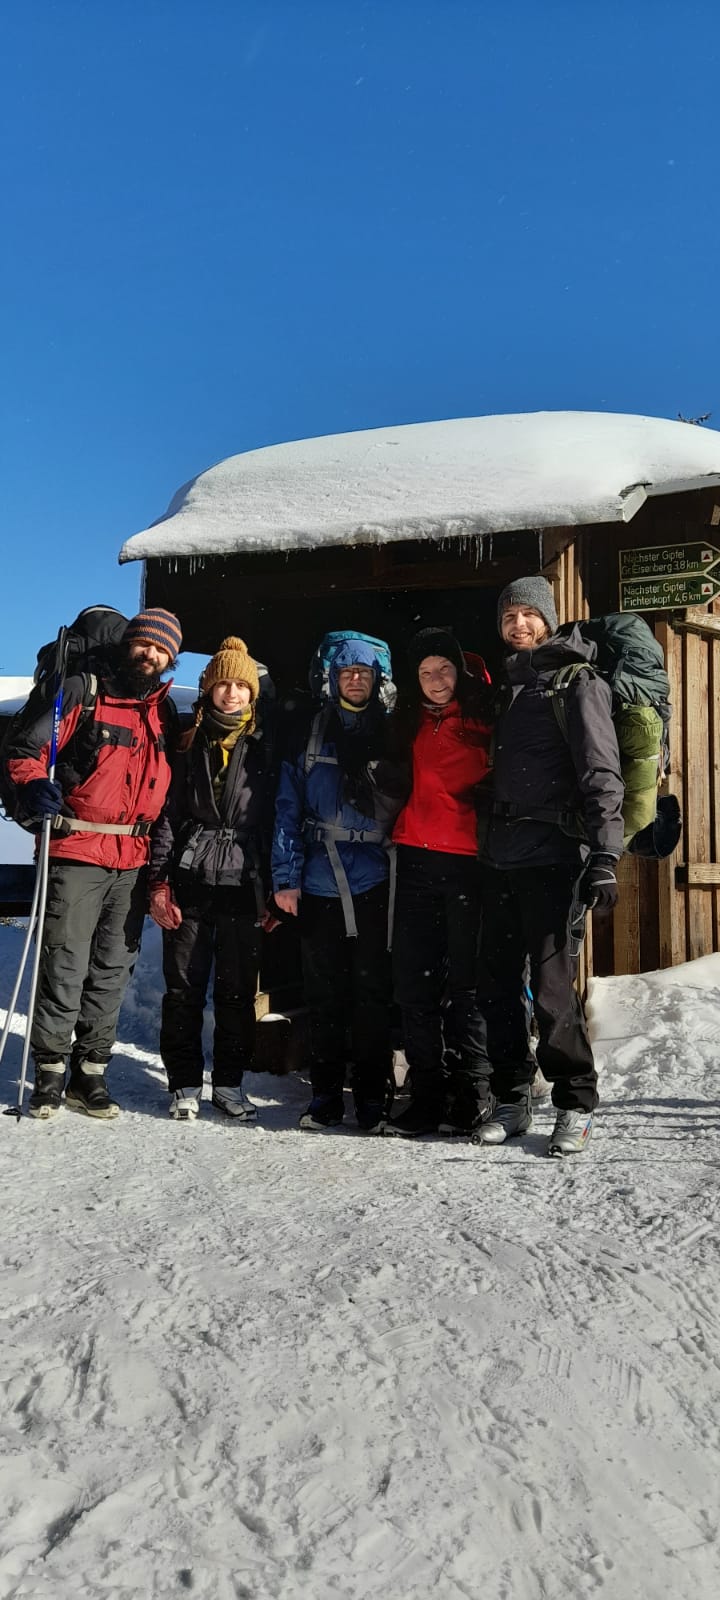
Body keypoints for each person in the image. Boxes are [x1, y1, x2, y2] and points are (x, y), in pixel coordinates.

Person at [4, 607, 183, 1119]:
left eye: (161, 650)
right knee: (65, 964)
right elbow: (25, 748)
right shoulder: (83, 690)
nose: (150, 655)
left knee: (112, 970)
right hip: (77, 849)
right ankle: (50, 1072)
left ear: (170, 658)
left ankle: (91, 1074)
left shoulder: (162, 711)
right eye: (145, 644)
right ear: (130, 645)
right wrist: (33, 783)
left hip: (133, 857)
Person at [475, 576, 624, 1155]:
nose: (518, 625)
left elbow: (600, 772)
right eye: (509, 616)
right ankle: (513, 1097)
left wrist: (605, 855)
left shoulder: (575, 682)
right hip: (499, 858)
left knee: (553, 990)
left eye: (527, 615)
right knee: (494, 987)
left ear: (548, 619)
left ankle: (574, 1101)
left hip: (556, 856)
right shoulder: (507, 688)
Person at [271, 631, 400, 1133]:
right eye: (346, 672)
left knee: (372, 993)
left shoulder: (392, 733)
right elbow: (287, 811)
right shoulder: (308, 734)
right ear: (331, 679)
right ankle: (324, 1096)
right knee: (324, 995)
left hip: (376, 880)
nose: (354, 680)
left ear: (376, 680)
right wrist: (286, 877)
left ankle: (372, 1095)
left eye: (363, 673)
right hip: (319, 880)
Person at [148, 636, 276, 1122]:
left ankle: (228, 1083)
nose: (231, 693)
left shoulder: (265, 747)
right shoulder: (187, 742)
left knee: (237, 992)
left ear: (251, 693)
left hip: (245, 882)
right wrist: (159, 882)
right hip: (191, 878)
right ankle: (183, 1083)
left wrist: (273, 887)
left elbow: (273, 821)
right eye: (222, 683)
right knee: (183, 989)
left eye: (240, 685)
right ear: (208, 689)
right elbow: (166, 817)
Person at [385, 628, 494, 1138]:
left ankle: (473, 1091)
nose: (435, 680)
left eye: (444, 669)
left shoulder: (483, 719)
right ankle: (426, 1092)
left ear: (460, 670)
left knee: (468, 985)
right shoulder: (406, 722)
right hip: (415, 862)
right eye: (426, 672)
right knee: (414, 983)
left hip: (469, 863)